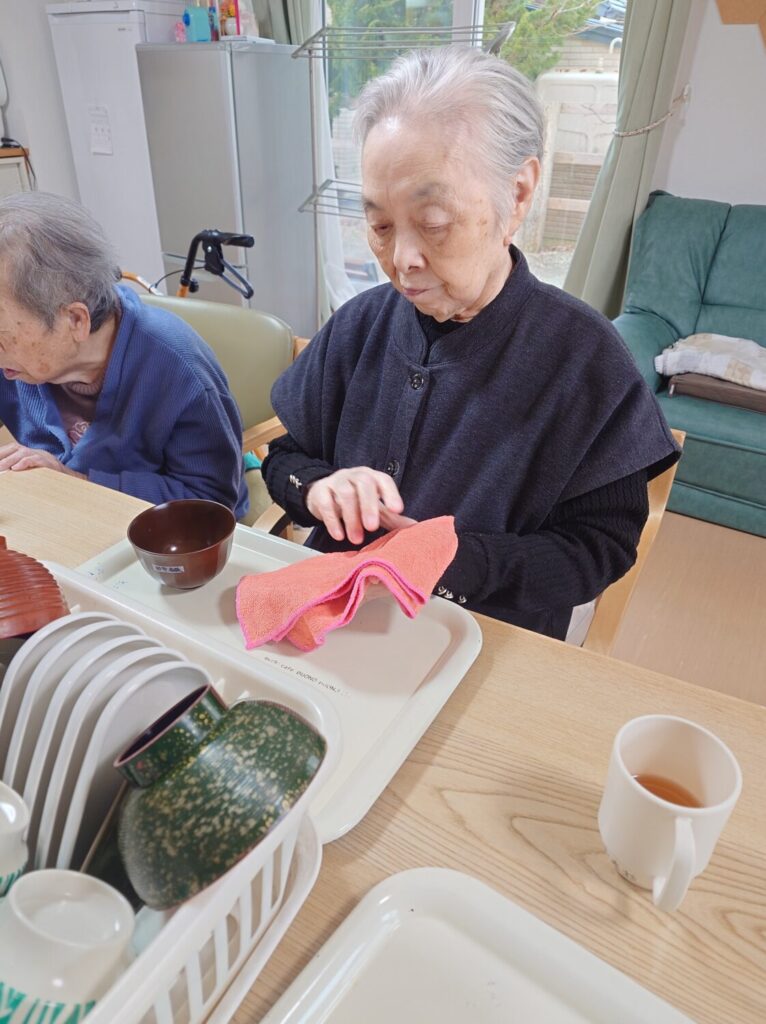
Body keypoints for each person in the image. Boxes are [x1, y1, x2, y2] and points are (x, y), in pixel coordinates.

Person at [262, 46, 679, 640]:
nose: (402, 260)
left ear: (519, 193)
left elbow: (597, 551)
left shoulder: (585, 360)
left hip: (483, 635)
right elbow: (283, 459)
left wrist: (452, 560)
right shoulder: (360, 324)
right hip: (334, 616)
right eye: (380, 226)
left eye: (433, 222)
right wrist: (320, 490)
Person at [0, 191, 248, 516]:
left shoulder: (178, 368)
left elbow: (209, 502)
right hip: (60, 511)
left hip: (159, 530)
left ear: (75, 320)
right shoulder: (19, 357)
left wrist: (76, 482)